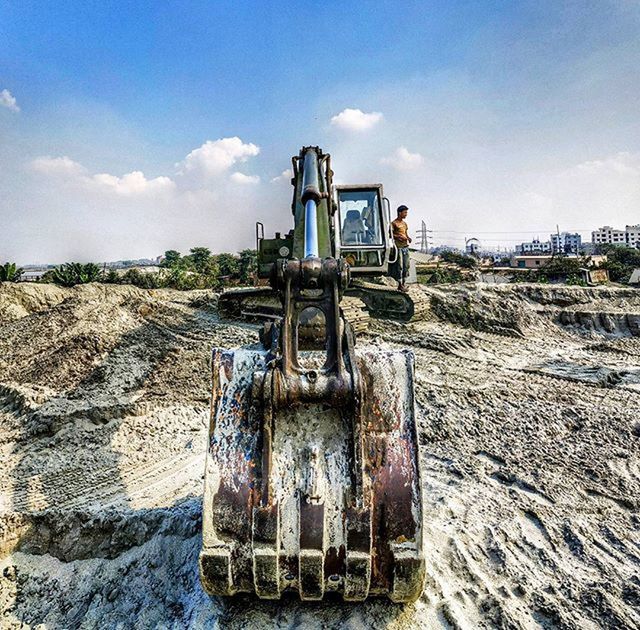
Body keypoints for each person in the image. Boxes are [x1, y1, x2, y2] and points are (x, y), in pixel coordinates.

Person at [390, 205, 411, 292]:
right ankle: (399, 284)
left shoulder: (404, 224)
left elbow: (405, 233)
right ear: (400, 213)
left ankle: (404, 283)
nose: (406, 214)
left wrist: (408, 238)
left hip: (405, 247)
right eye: (405, 212)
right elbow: (390, 235)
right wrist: (398, 236)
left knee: (406, 266)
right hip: (398, 248)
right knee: (400, 266)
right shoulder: (394, 223)